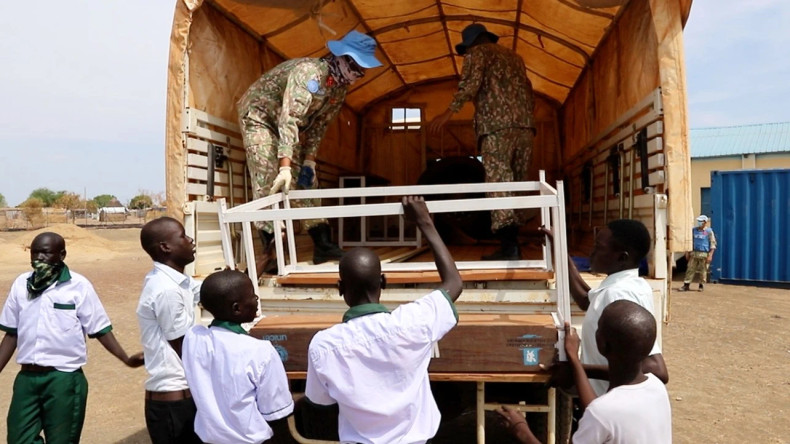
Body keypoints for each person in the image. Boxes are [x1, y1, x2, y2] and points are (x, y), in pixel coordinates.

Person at [304, 196, 463, 443]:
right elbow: (454, 283)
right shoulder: (413, 323)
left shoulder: (324, 345)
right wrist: (425, 222)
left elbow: (319, 401)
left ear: (339, 288)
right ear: (384, 282)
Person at [238, 30, 383, 273]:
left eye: (363, 70)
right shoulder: (309, 74)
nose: (359, 74)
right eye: (357, 67)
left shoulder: (338, 88)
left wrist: (309, 161)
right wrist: (284, 167)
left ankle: (322, 244)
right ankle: (271, 252)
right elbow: (290, 119)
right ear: (342, 58)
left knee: (306, 183)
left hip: (287, 127)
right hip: (260, 118)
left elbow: (318, 126)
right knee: (267, 176)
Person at [0, 232, 144, 443]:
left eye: (46, 253)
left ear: (62, 255)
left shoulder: (78, 286)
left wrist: (125, 358)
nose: (39, 257)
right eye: (35, 252)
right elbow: (11, 334)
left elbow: (100, 329)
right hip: (27, 379)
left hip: (63, 379)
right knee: (18, 438)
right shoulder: (21, 284)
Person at [428, 23, 536, 260]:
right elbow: (528, 90)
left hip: (496, 128)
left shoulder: (477, 54)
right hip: (526, 128)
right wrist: (526, 118)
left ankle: (509, 248)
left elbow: (470, 84)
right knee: (517, 183)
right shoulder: (515, 58)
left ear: (472, 43)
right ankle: (513, 243)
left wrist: (447, 113)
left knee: (498, 182)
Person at [498, 300, 672, 444]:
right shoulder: (656, 387)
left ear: (602, 344)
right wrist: (575, 362)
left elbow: (600, 415)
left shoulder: (601, 413)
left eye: (598, 327)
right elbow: (603, 415)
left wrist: (521, 430)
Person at [546, 219, 668, 396]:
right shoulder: (623, 285)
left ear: (622, 257)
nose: (591, 253)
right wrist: (560, 251)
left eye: (598, 247)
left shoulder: (619, 295)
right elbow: (584, 298)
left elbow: (656, 369)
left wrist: (579, 369)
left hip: (611, 406)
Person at [182, 270, 293, 443]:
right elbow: (275, 413)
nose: (256, 298)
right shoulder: (260, 351)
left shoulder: (193, 339)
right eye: (251, 295)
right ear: (237, 308)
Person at [136, 217, 203, 444]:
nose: (190, 240)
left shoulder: (176, 281)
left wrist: (262, 260)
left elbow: (214, 292)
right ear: (166, 247)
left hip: (179, 400)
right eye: (183, 236)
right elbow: (184, 347)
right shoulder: (166, 290)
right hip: (173, 406)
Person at [680, 214, 716, 292]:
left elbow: (713, 244)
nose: (699, 223)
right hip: (694, 253)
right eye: (698, 221)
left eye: (701, 221)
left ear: (705, 222)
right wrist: (687, 252)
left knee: (703, 271)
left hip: (704, 254)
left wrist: (710, 255)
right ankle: (686, 284)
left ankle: (701, 285)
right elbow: (689, 241)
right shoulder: (694, 230)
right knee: (690, 269)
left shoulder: (708, 231)